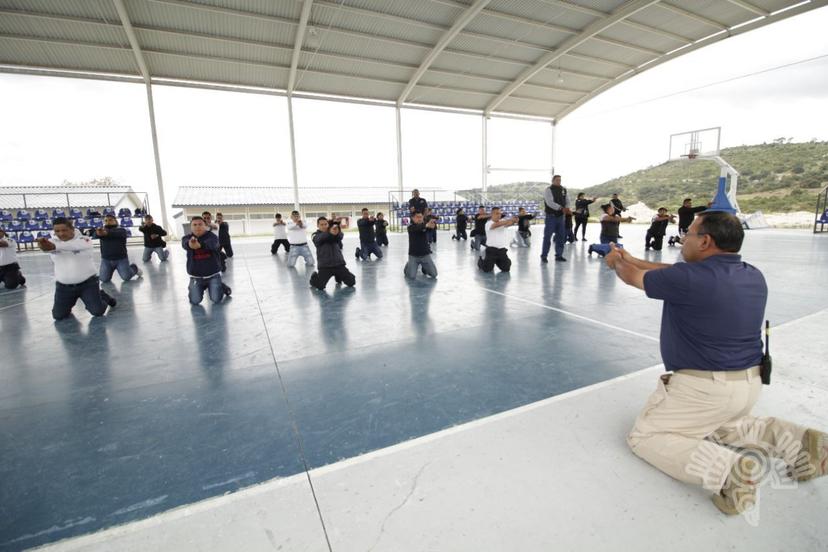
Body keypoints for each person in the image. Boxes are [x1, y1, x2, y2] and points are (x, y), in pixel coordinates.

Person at [605, 211, 828, 515]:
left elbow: (631, 278)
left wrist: (616, 261)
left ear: (706, 241)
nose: (684, 238)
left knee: (646, 436)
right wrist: (632, 256)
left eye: (689, 233)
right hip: (747, 385)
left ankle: (728, 472)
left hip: (703, 388)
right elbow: (669, 272)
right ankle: (800, 443)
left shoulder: (687, 279)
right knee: (723, 427)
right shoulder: (752, 274)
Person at [36, 217, 116, 320]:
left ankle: (103, 297)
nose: (61, 234)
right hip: (63, 287)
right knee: (58, 316)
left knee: (98, 312)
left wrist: (53, 246)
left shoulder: (84, 240)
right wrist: (43, 245)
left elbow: (71, 246)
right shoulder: (52, 242)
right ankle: (98, 293)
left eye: (64, 230)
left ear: (72, 229)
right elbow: (46, 248)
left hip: (88, 284)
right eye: (57, 231)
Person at [182, 216, 231, 305]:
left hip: (213, 275)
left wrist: (200, 245)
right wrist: (190, 244)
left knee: (216, 300)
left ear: (205, 226)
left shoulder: (212, 237)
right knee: (194, 301)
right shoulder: (186, 238)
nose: (197, 227)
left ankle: (222, 287)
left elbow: (212, 244)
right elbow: (185, 244)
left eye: (200, 224)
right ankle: (204, 287)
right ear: (191, 227)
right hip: (196, 277)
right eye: (195, 225)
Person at [310, 217, 356, 290]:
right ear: (317, 225)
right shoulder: (315, 235)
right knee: (320, 286)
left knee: (352, 282)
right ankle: (313, 278)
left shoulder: (333, 232)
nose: (324, 226)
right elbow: (319, 239)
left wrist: (336, 230)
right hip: (325, 266)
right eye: (321, 225)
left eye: (326, 224)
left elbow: (340, 235)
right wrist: (329, 232)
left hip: (339, 264)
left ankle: (338, 276)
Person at [96, 215, 142, 283]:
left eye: (110, 220)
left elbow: (113, 233)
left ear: (115, 221)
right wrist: (98, 232)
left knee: (126, 277)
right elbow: (95, 234)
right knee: (103, 279)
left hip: (121, 259)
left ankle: (134, 268)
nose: (108, 222)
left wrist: (106, 233)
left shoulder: (121, 230)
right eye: (106, 220)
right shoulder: (102, 232)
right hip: (106, 260)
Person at [540, 174, 571, 263]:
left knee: (561, 237)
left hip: (561, 217)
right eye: (557, 180)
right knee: (547, 237)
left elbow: (568, 200)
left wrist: (567, 208)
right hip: (551, 217)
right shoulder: (548, 190)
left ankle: (559, 255)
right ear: (553, 181)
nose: (559, 181)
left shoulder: (564, 190)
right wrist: (561, 208)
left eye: (560, 180)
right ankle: (544, 255)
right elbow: (549, 202)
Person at [478, 207, 517, 273]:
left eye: (500, 213)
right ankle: (480, 261)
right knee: (487, 269)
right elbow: (495, 225)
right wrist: (509, 220)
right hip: (491, 250)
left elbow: (508, 224)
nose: (499, 215)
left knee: (506, 268)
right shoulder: (488, 223)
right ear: (492, 214)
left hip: (501, 250)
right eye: (497, 213)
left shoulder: (502, 222)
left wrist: (514, 221)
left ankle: (496, 261)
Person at [404, 212, 438, 279]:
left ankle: (424, 267)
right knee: (411, 276)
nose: (420, 219)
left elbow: (431, 228)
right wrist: (426, 225)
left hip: (425, 255)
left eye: (421, 217)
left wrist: (432, 224)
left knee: (434, 274)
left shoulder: (425, 225)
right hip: (413, 255)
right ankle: (408, 265)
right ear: (413, 218)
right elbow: (418, 228)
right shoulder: (410, 227)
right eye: (417, 217)